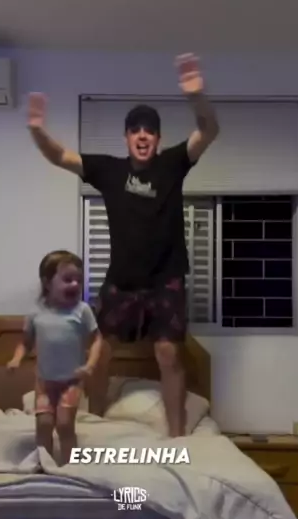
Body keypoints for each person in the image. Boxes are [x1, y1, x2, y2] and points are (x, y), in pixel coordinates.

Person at [26, 54, 219, 439]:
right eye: (135, 130)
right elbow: (60, 156)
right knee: (99, 353)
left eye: (150, 131)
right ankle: (94, 423)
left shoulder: (172, 163)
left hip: (166, 279)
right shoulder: (110, 170)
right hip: (122, 280)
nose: (143, 136)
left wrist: (196, 96)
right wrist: (37, 130)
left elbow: (209, 130)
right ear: (127, 137)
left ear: (158, 139)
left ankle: (178, 440)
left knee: (168, 353)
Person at [7, 250, 103, 465]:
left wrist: (90, 365)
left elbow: (97, 339)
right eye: (67, 279)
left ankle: (70, 466)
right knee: (43, 424)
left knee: (65, 424)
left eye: (78, 280)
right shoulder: (36, 313)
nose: (75, 285)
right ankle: (43, 464)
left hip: (71, 381)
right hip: (44, 383)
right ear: (47, 283)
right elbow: (25, 342)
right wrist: (16, 359)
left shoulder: (82, 311)